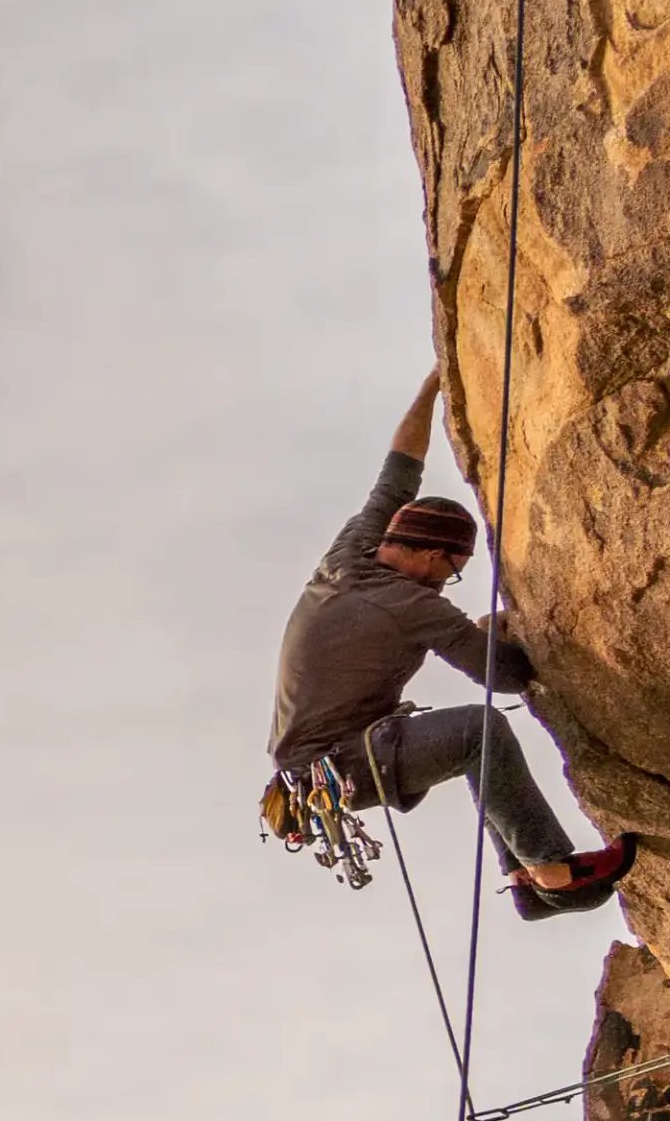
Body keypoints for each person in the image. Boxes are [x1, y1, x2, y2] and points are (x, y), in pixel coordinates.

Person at [268, 374, 640, 917]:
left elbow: (398, 472)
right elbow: (506, 676)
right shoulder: (415, 602)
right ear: (428, 554)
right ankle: (552, 873)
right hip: (341, 763)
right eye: (453, 569)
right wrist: (520, 632)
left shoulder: (352, 553)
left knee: (470, 746)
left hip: (315, 767)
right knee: (478, 732)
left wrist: (429, 392)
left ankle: (523, 880)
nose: (448, 582)